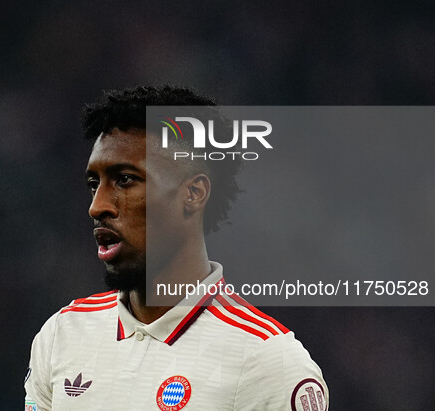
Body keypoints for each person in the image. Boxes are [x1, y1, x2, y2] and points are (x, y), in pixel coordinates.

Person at [24, 85, 328, 410]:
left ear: (193, 193)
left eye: (125, 180)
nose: (97, 206)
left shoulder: (266, 361)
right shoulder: (62, 335)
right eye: (94, 184)